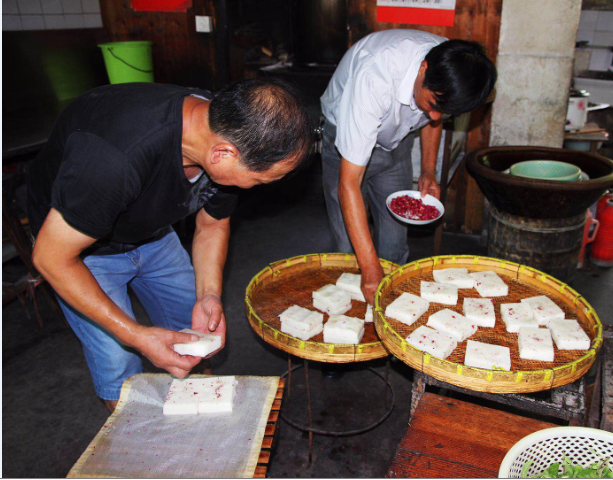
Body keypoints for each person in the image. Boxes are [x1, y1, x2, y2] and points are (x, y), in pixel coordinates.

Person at [28, 78, 313, 412]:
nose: (259, 187)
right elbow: (51, 258)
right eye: (262, 180)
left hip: (153, 230)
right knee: (118, 360)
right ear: (222, 154)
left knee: (195, 336)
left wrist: (209, 294)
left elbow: (212, 223)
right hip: (79, 249)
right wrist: (135, 335)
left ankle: (198, 421)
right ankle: (140, 452)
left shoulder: (223, 126)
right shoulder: (114, 158)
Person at [320, 29, 497, 303]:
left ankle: (388, 315)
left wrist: (428, 169)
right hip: (344, 138)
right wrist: (369, 269)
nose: (435, 115)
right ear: (423, 69)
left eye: (446, 110)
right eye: (433, 104)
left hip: (397, 142)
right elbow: (348, 183)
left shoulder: (452, 65)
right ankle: (348, 324)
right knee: (347, 249)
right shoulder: (375, 77)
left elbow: (434, 118)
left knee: (394, 243)